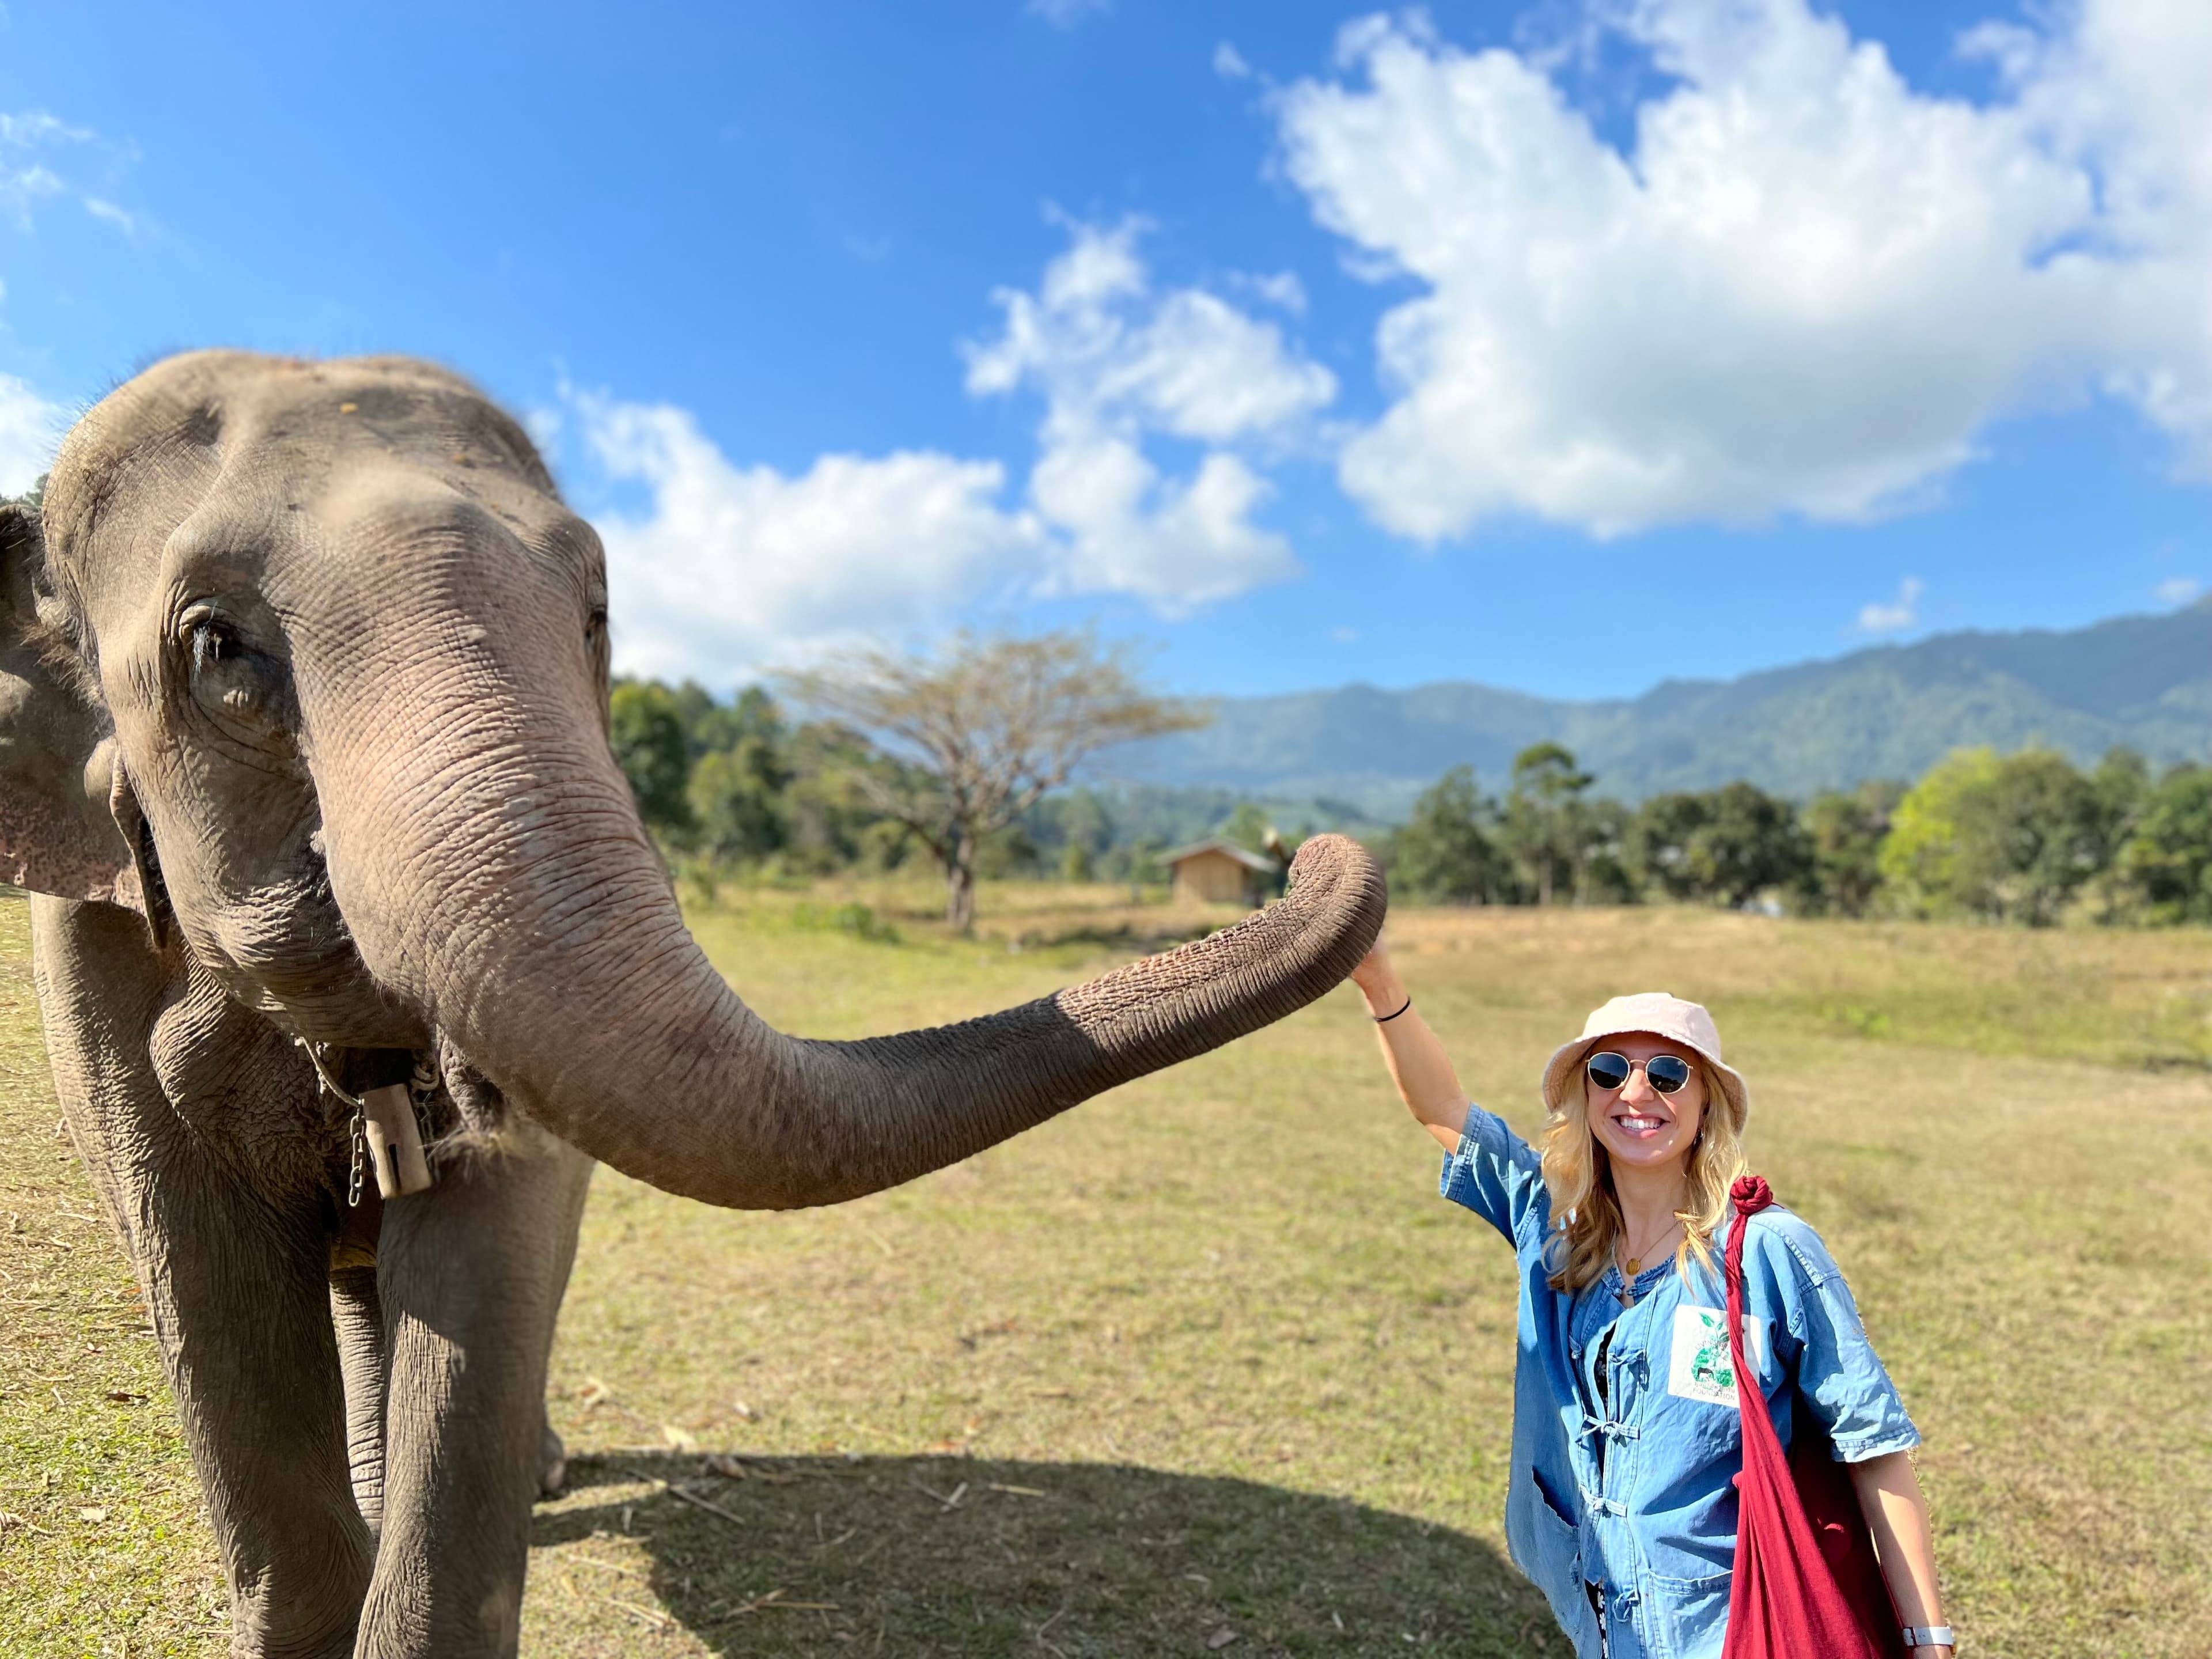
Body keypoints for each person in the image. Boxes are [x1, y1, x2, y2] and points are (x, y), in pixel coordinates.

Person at [1350, 940, 1953, 1659]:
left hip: (1734, 1627)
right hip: (1599, 1617)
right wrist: (1378, 978)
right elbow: (1444, 1109)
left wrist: (1930, 1643)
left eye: (1667, 1074)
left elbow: (1874, 1448)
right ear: (1585, 1096)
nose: (1636, 1094)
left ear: (1706, 1105)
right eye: (1610, 1071)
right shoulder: (1555, 1230)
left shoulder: (1765, 1249)